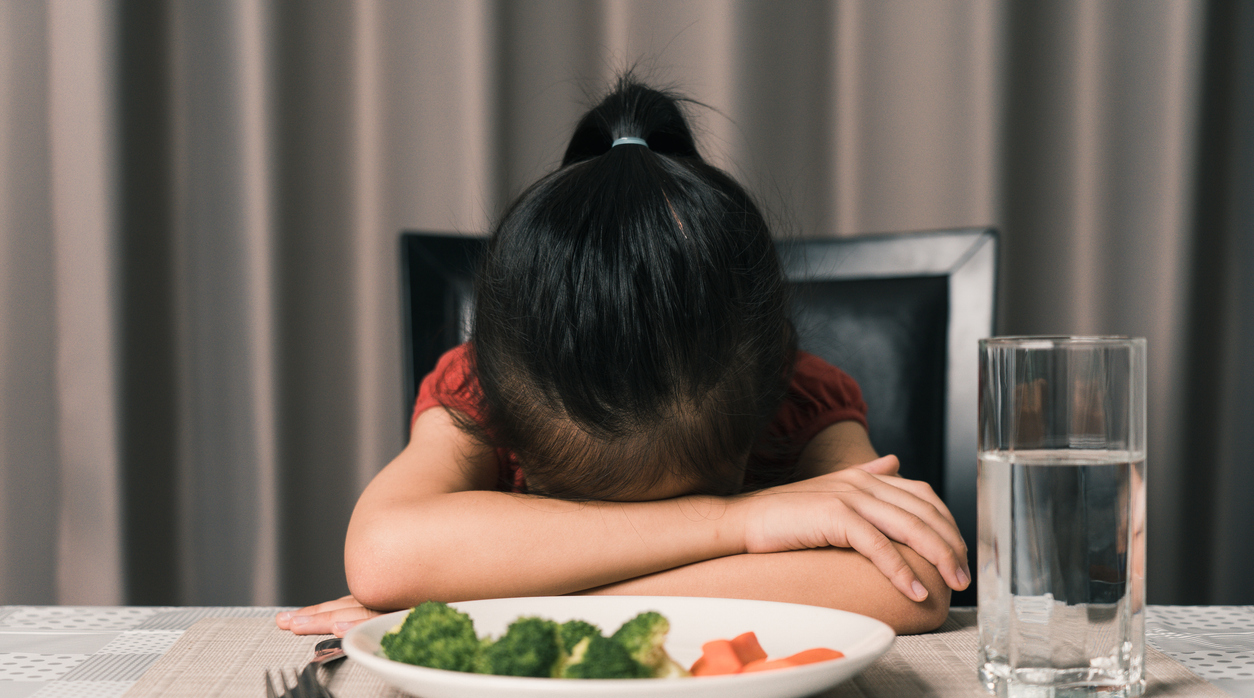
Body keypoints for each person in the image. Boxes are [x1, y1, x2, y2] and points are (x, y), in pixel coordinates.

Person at [277, 77, 969, 639]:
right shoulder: (480, 388)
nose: (638, 532)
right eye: (588, 513)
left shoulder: (799, 396)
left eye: (691, 501)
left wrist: (508, 601)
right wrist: (733, 522)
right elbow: (383, 554)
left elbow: (909, 582)